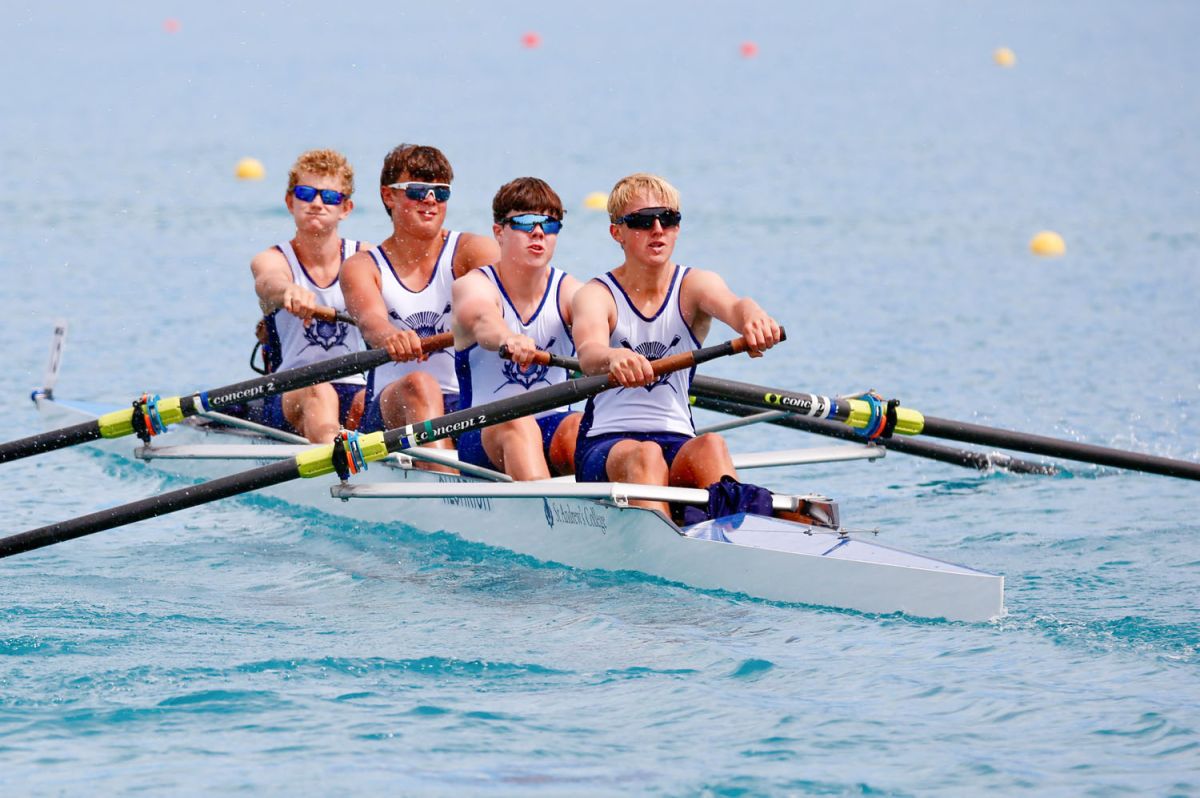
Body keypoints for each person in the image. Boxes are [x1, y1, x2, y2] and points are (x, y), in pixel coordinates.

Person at [571, 173, 783, 517]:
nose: (657, 229)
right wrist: (614, 357)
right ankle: (668, 550)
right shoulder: (597, 295)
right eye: (642, 221)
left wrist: (754, 319)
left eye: (668, 219)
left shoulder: (695, 285)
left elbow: (735, 306)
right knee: (646, 455)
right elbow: (589, 354)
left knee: (711, 445)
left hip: (677, 440)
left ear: (677, 228)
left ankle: (741, 538)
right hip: (605, 445)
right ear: (617, 233)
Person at [342, 144, 499, 462]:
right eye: (417, 190)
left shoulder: (473, 251)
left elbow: (511, 298)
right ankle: (447, 488)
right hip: (391, 408)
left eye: (441, 193)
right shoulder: (363, 266)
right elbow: (371, 321)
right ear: (389, 196)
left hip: (466, 406)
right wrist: (391, 338)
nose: (430, 200)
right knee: (420, 384)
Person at [451, 177, 582, 480]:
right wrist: (508, 338)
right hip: (483, 431)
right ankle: (546, 516)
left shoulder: (571, 291)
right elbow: (484, 320)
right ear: (499, 232)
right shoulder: (472, 285)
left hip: (554, 427)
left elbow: (602, 325)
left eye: (549, 224)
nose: (538, 232)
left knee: (581, 426)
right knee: (519, 423)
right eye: (525, 222)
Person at [249, 148, 369, 443]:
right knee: (320, 390)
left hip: (356, 387)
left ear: (346, 208)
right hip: (292, 391)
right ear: (291, 202)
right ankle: (335, 470)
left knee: (380, 397)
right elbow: (268, 281)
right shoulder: (272, 259)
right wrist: (288, 291)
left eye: (329, 197)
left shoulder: (367, 258)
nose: (317, 203)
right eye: (306, 193)